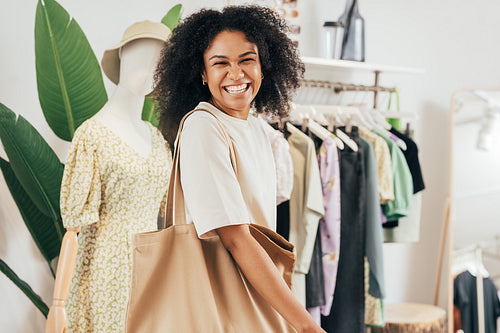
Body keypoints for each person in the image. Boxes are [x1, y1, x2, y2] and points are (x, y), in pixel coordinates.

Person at [155, 6, 326, 333]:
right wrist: (305, 325)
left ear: (264, 66)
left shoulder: (263, 134)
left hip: (255, 298)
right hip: (219, 305)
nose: (236, 74)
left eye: (247, 60)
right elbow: (236, 238)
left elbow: (260, 229)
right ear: (202, 74)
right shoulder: (204, 128)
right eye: (220, 63)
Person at [45, 21, 172, 333]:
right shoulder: (92, 135)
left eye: (160, 62)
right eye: (143, 55)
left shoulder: (158, 140)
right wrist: (59, 305)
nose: (150, 67)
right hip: (106, 271)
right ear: (124, 56)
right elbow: (72, 230)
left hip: (153, 274)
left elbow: (168, 217)